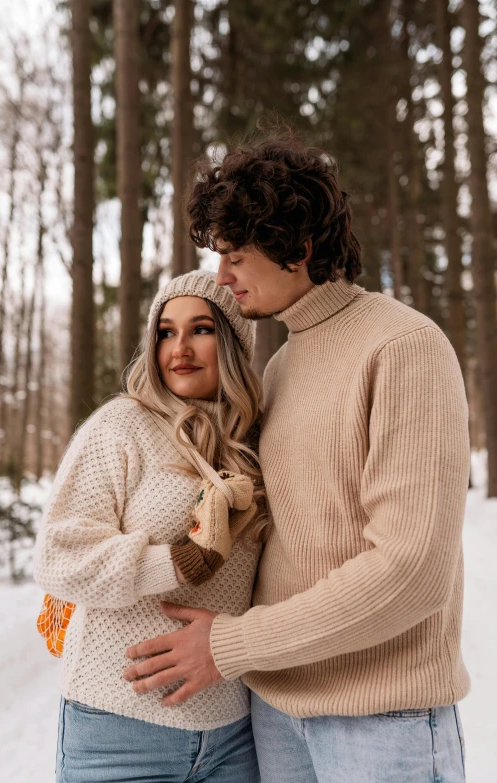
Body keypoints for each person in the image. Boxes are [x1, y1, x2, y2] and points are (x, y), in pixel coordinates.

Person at [123, 133, 470, 783]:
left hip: (379, 724)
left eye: (235, 255)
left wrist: (229, 644)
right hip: (275, 714)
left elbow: (412, 570)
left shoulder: (402, 348)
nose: (221, 277)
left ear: (299, 248)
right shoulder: (278, 366)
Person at [34, 270, 264, 783]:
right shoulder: (122, 426)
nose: (179, 347)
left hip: (235, 734)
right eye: (165, 331)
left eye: (201, 329)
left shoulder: (254, 441)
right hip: (120, 733)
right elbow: (58, 557)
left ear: (231, 341)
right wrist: (178, 561)